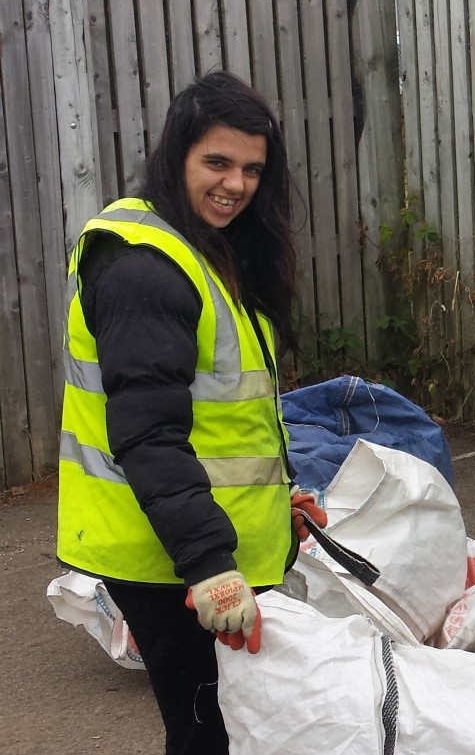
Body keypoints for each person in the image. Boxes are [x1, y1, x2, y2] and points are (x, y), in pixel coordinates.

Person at [55, 71, 322, 754]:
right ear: (177, 155)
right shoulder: (144, 264)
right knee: (209, 731)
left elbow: (223, 413)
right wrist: (210, 563)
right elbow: (147, 433)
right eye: (217, 162)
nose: (236, 183)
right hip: (166, 556)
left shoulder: (202, 247)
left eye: (252, 169)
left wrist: (272, 496)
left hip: (195, 537)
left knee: (233, 727)